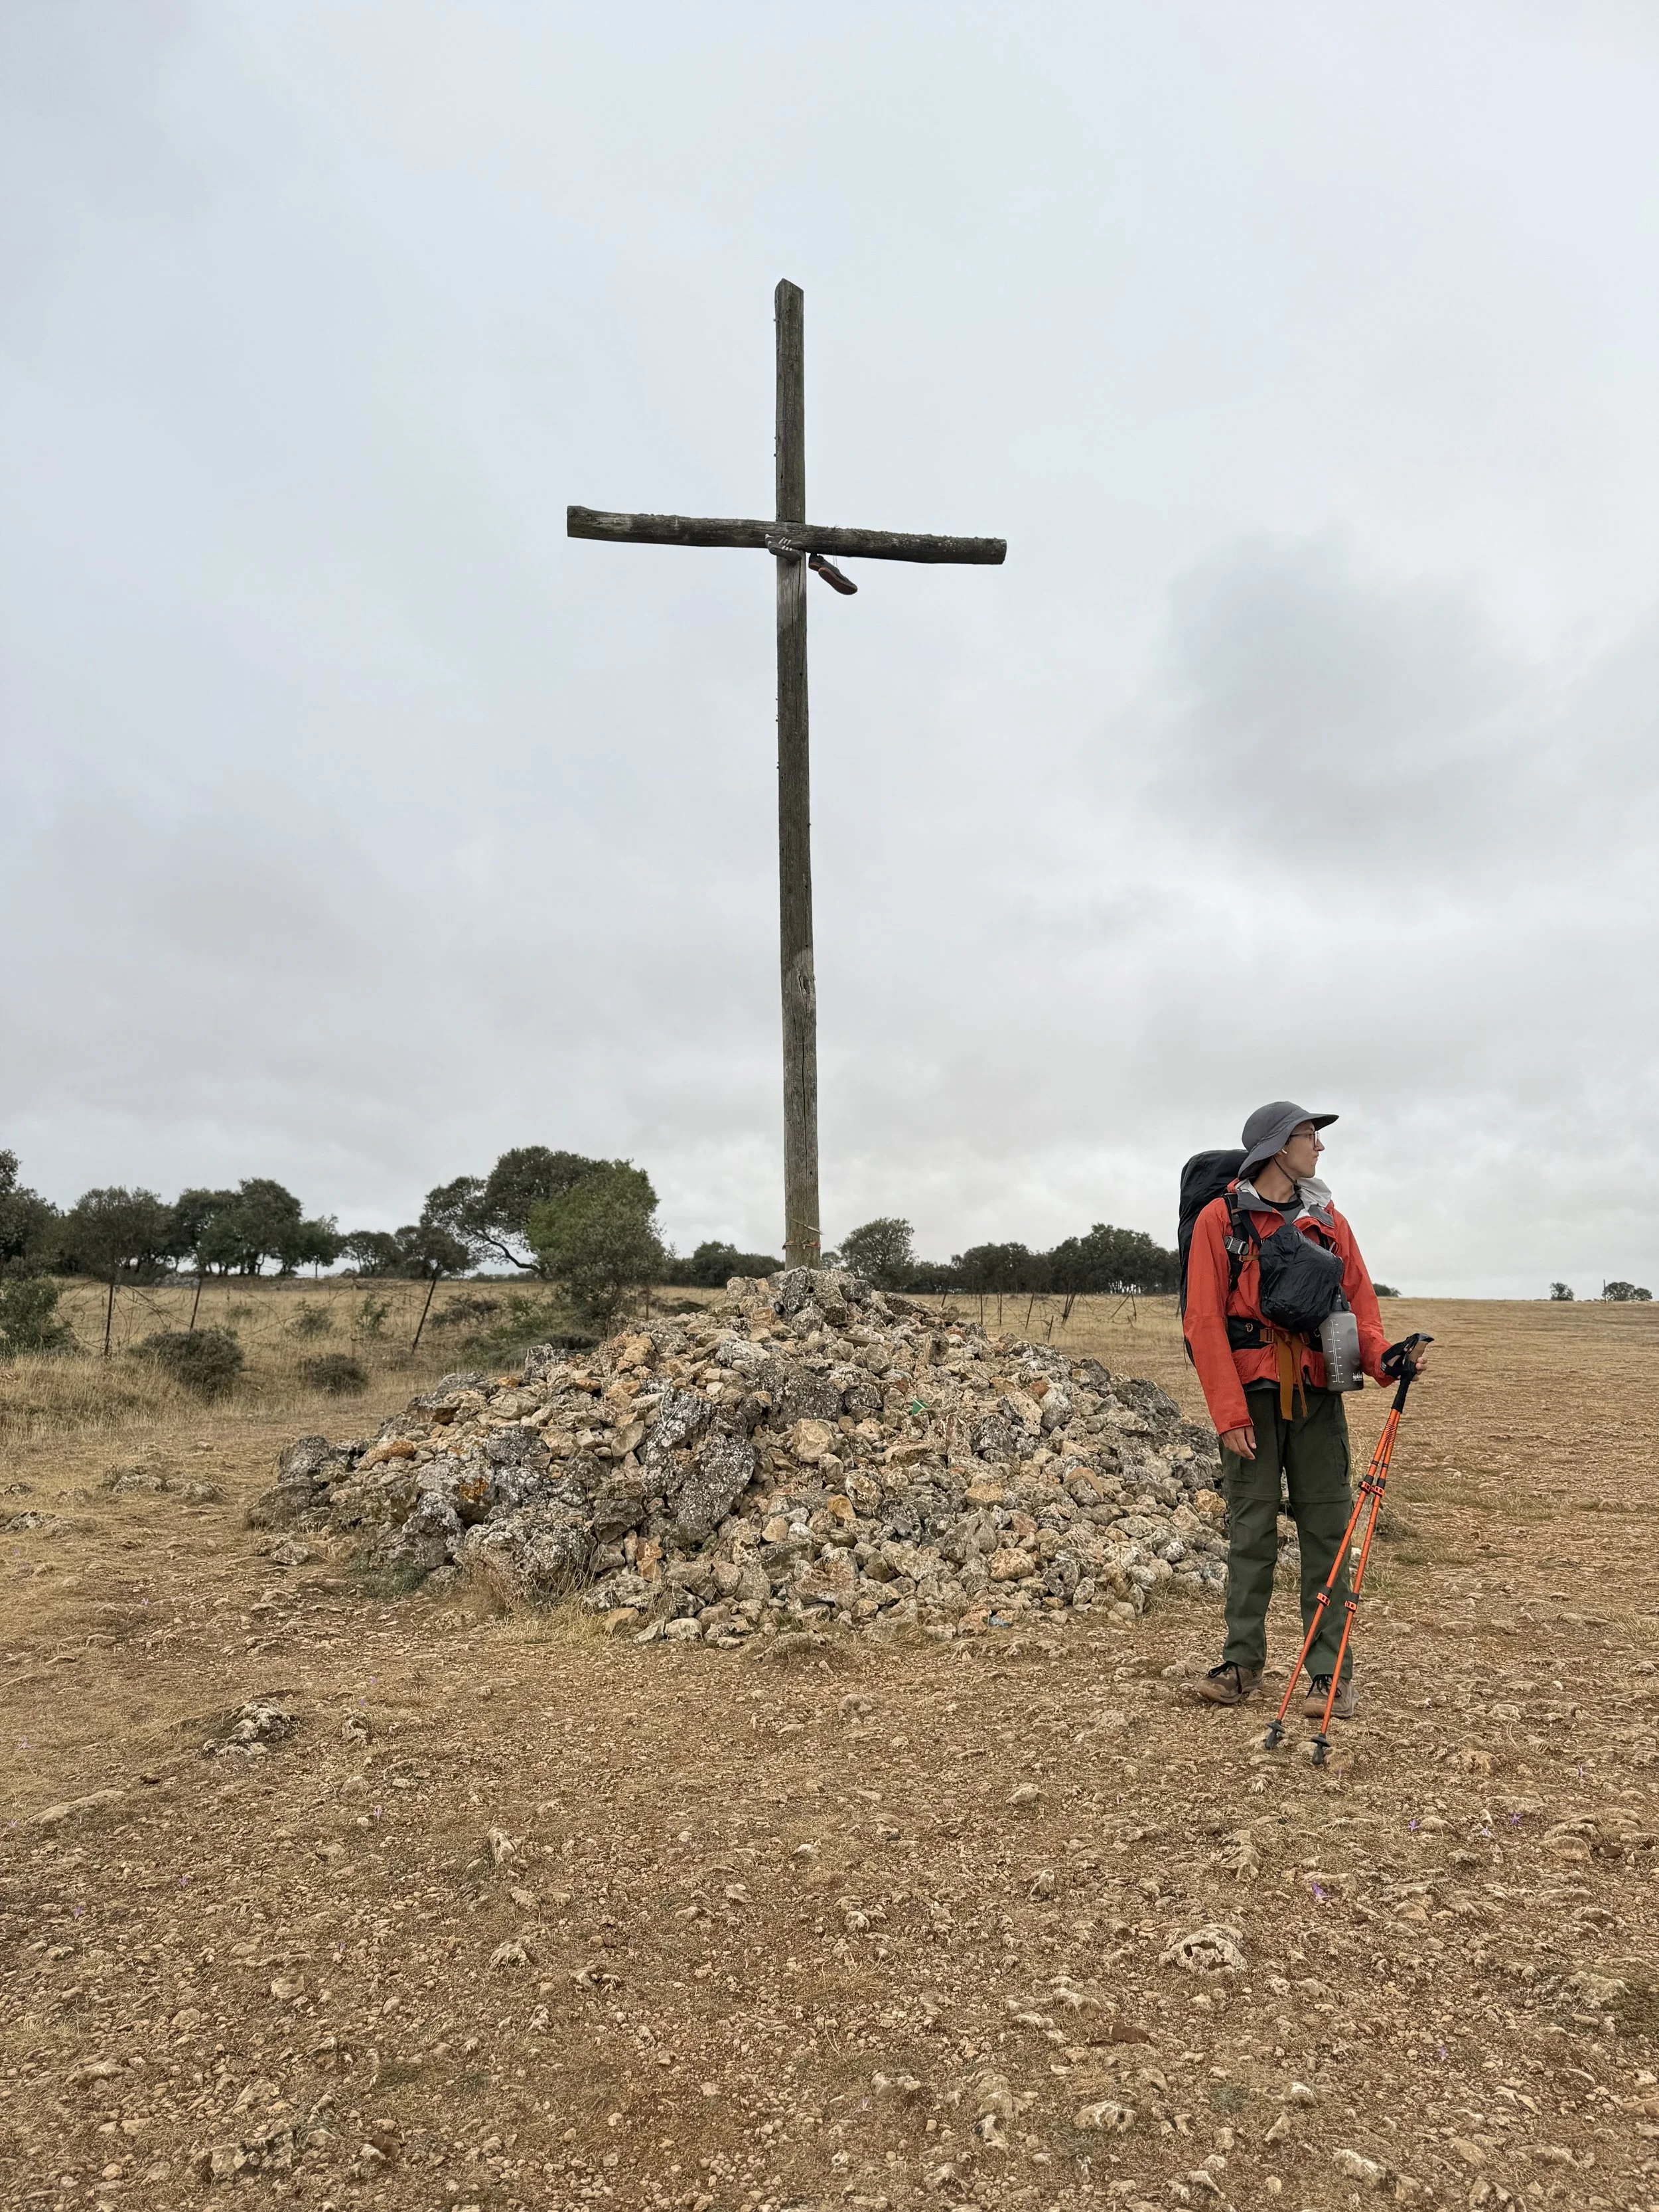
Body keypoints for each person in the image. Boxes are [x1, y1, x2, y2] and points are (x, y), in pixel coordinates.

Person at [1183, 1102, 1429, 1716]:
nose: (1319, 1148)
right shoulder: (1221, 1219)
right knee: (1251, 1533)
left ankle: (1329, 1674)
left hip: (1318, 1395)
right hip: (1253, 1401)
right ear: (1275, 1146)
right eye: (1308, 1137)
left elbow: (1358, 1308)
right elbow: (1204, 1320)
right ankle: (1242, 1664)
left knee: (1327, 1530)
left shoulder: (1330, 1222)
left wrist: (1385, 1359)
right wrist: (1228, 1412)